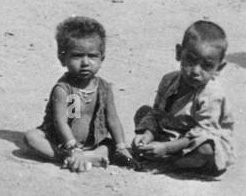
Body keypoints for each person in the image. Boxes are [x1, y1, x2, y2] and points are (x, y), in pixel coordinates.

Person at [23, 17, 133, 171]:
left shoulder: (104, 88)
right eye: (77, 56)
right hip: (63, 142)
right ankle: (71, 157)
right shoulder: (63, 89)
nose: (85, 62)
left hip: (92, 143)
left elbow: (112, 119)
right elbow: (60, 121)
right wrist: (72, 147)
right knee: (32, 137)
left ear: (102, 58)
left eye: (92, 56)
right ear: (62, 58)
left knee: (111, 144)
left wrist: (121, 146)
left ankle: (86, 157)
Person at [133, 20, 234, 175]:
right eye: (191, 60)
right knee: (143, 112)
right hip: (172, 131)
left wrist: (166, 148)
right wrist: (147, 135)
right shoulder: (169, 80)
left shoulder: (212, 94)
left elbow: (202, 133)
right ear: (179, 53)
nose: (195, 71)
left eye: (206, 66)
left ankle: (171, 163)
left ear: (218, 68)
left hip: (196, 141)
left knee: (206, 149)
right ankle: (156, 151)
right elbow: (157, 114)